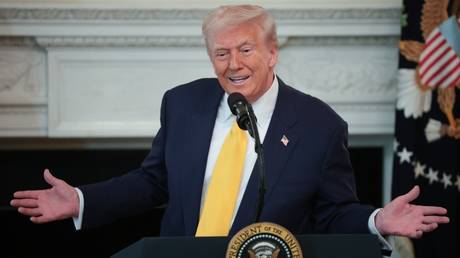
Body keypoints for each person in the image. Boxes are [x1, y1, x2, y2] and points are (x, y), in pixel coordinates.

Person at [11, 4, 448, 248]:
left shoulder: (320, 125)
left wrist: (377, 219)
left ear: (272, 53)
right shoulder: (183, 103)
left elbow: (331, 212)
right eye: (221, 53)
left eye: (245, 49)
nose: (233, 64)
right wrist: (83, 200)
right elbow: (153, 182)